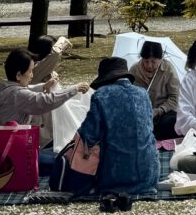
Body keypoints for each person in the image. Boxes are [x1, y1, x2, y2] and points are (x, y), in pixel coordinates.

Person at [0, 48, 89, 177]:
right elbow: (46, 101)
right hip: (13, 150)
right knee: (63, 163)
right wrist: (74, 89)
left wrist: (43, 86)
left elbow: (26, 90)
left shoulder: (4, 86)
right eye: (30, 71)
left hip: (6, 143)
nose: (32, 75)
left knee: (57, 152)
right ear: (19, 75)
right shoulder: (18, 95)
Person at [76, 57, 159, 196]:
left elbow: (89, 135)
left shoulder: (101, 95)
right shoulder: (143, 93)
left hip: (114, 178)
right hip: (148, 177)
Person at [129, 40, 180, 140]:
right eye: (146, 61)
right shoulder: (134, 70)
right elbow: (128, 95)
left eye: (153, 62)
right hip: (141, 113)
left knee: (171, 122)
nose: (149, 65)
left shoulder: (168, 69)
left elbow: (175, 97)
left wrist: (159, 110)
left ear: (160, 59)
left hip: (164, 113)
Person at [29, 35, 72, 144]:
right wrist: (63, 40)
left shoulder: (46, 68)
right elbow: (55, 53)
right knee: (45, 139)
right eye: (53, 46)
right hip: (43, 113)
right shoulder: (37, 68)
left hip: (53, 109)